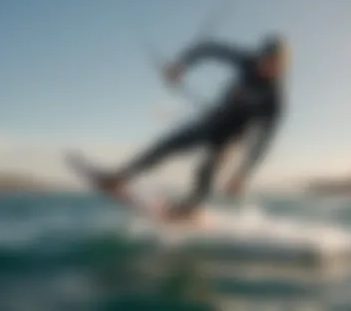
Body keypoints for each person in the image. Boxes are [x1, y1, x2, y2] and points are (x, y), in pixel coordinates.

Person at [93, 33, 290, 220]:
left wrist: (242, 175)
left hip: (233, 138)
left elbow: (264, 143)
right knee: (166, 146)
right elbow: (208, 48)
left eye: (275, 64)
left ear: (283, 66)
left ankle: (189, 210)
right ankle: (119, 178)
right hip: (214, 120)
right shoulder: (248, 60)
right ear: (260, 55)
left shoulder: (275, 100)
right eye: (265, 60)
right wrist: (181, 65)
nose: (267, 67)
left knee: (205, 173)